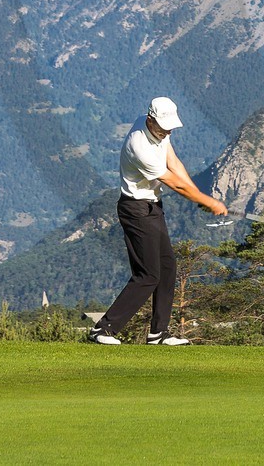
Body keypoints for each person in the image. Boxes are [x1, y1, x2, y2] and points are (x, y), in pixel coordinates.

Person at [90, 96, 228, 346]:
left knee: (167, 268)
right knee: (148, 275)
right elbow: (172, 182)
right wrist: (207, 201)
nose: (167, 132)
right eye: (163, 127)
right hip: (136, 210)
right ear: (150, 119)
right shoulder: (139, 146)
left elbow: (173, 162)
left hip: (152, 207)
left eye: (170, 128)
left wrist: (196, 193)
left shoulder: (159, 130)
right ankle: (103, 330)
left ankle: (158, 334)